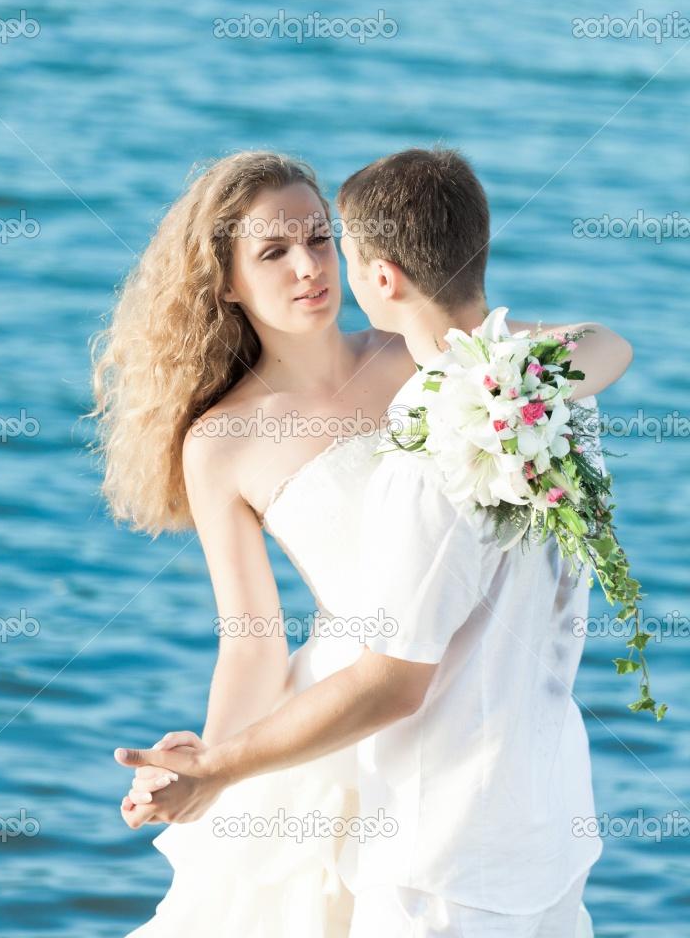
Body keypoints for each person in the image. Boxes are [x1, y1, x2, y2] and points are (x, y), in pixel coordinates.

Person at [97, 149, 630, 936]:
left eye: (319, 239)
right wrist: (210, 762)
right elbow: (251, 641)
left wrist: (503, 388)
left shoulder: (420, 360)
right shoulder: (221, 443)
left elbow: (604, 347)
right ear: (226, 281)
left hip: (477, 708)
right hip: (346, 713)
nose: (308, 267)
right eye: (273, 252)